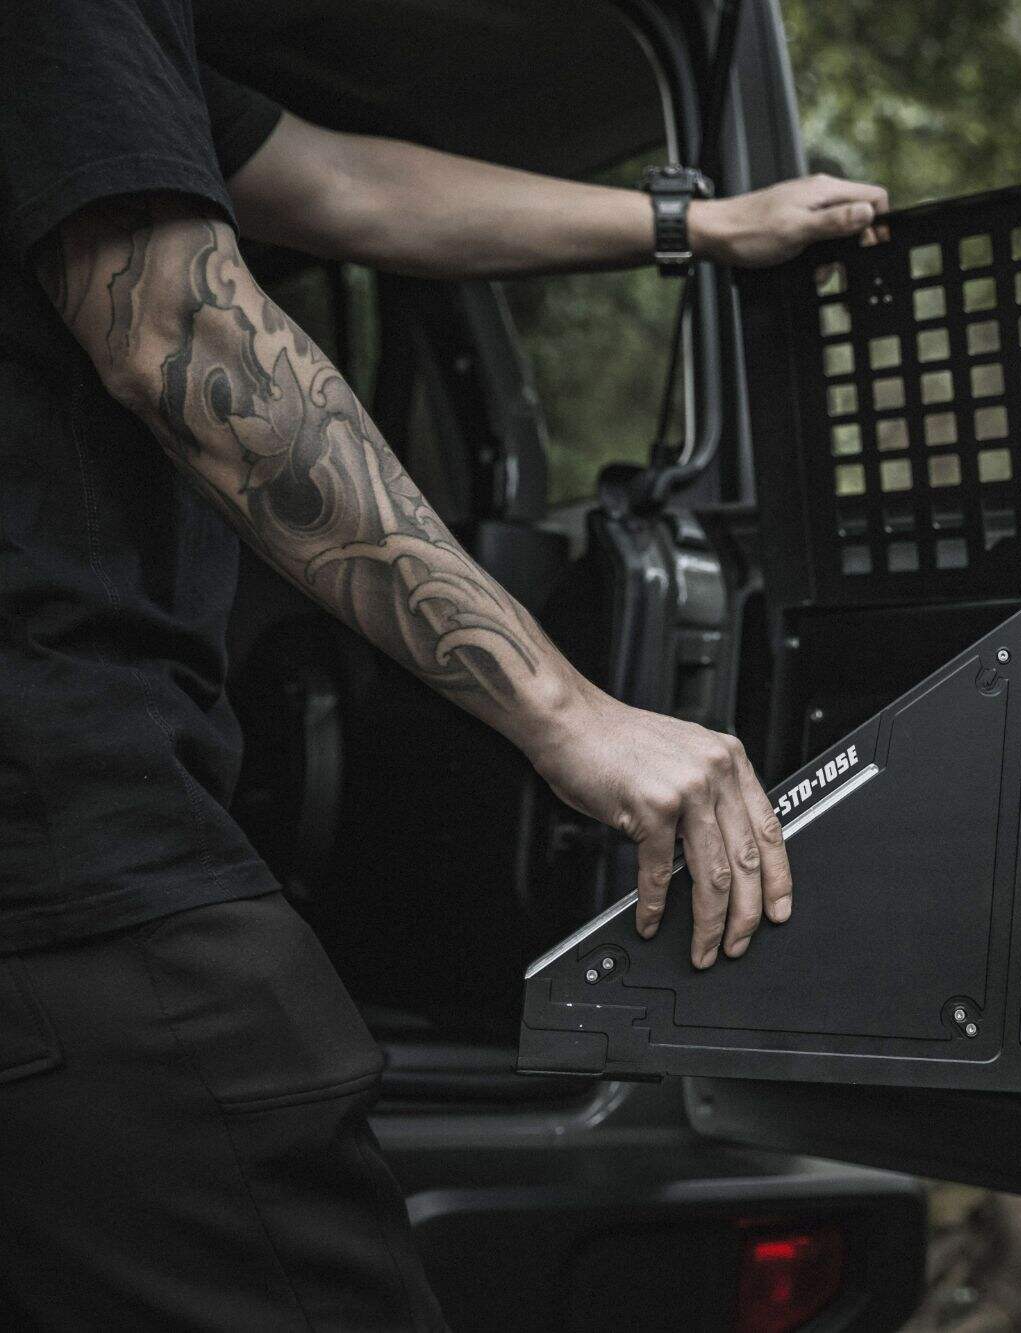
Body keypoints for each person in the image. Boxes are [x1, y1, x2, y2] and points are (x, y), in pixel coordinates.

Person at [0, 1, 888, 1324]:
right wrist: (572, 713)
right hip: (77, 851)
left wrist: (694, 225)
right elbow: (181, 328)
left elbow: (338, 186)